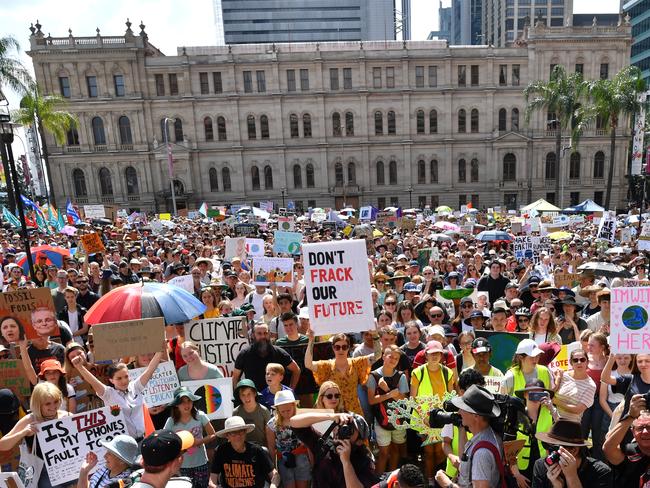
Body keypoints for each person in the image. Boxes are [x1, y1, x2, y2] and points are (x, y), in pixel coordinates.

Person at [72, 350, 164, 439]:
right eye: (119, 378)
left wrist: (161, 350)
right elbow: (93, 381)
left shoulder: (135, 387)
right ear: (111, 380)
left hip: (146, 438)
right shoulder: (108, 394)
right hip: (126, 444)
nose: (124, 381)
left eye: (126, 376)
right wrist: (80, 367)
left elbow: (150, 369)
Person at [0, 382, 71, 488]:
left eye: (55, 401)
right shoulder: (30, 419)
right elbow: (2, 445)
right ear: (38, 404)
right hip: (43, 471)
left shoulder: (67, 416)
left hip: (70, 467)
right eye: (47, 404)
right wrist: (23, 432)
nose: (53, 407)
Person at [434, 385, 505, 488]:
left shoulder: (482, 454)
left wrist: (447, 484)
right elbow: (465, 463)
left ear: (476, 416)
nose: (459, 412)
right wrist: (461, 428)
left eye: (463, 409)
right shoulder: (488, 436)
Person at [290, 411, 379, 488]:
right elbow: (294, 422)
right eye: (341, 425)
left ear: (359, 441)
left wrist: (346, 463)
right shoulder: (323, 446)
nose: (342, 430)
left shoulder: (364, 461)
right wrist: (331, 416)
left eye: (349, 429)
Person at [411, 340, 455, 484]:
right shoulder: (417, 372)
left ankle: (439, 479)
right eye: (431, 354)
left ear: (442, 355)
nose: (435, 356)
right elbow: (413, 398)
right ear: (426, 356)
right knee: (429, 452)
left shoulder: (448, 372)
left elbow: (451, 396)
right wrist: (423, 417)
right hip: (424, 419)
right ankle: (430, 481)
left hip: (443, 418)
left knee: (441, 451)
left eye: (438, 353)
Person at [305, 330, 375, 416]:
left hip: (354, 411)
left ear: (348, 348)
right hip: (334, 414)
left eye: (344, 347)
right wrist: (311, 341)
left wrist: (376, 336)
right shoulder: (327, 366)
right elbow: (308, 364)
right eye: (337, 347)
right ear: (333, 348)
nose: (341, 350)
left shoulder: (356, 363)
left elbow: (378, 355)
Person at [532, 418, 611, 487]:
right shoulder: (541, 466)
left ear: (574, 450)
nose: (548, 452)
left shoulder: (600, 472)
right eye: (545, 445)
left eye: (553, 448)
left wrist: (572, 477)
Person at [367, 345, 409, 473]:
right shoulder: (373, 376)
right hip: (381, 420)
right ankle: (379, 481)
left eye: (396, 358)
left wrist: (387, 390)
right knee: (384, 453)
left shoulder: (401, 376)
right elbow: (371, 400)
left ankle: (392, 480)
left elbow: (404, 401)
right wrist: (389, 395)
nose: (393, 360)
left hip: (397, 420)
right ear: (384, 356)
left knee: (395, 450)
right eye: (391, 357)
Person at [164, 387, 216, 488]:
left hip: (201, 462)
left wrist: (199, 442)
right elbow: (165, 440)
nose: (187, 405)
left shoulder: (200, 416)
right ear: (176, 405)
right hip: (181, 465)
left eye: (189, 401)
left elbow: (213, 434)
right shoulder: (171, 421)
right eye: (182, 402)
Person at [211, 416, 280, 488]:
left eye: (241, 431)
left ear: (245, 432)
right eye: (233, 433)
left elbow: (275, 475)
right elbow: (212, 480)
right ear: (227, 435)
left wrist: (273, 485)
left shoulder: (257, 450)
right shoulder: (220, 451)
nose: (238, 435)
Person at [232, 322, 300, 392]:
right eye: (259, 333)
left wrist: (290, 390)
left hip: (277, 398)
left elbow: (296, 370)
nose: (263, 336)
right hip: (254, 400)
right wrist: (239, 396)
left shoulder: (279, 352)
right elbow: (235, 378)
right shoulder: (244, 354)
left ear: (269, 334)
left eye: (265, 333)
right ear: (253, 335)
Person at [266, 390, 311, 488]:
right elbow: (271, 446)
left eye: (288, 410)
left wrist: (312, 461)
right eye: (283, 411)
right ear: (277, 409)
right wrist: (273, 467)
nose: (286, 413)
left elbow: (309, 442)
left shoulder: (302, 420)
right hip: (284, 459)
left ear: (293, 406)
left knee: (302, 484)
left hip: (301, 456)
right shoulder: (271, 425)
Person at [603, 401, 650, 485]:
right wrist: (630, 416)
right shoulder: (630, 452)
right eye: (640, 428)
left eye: (649, 427)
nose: (645, 431)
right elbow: (608, 449)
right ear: (633, 432)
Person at [552, 348, 596, 424]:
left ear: (587, 362)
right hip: (552, 421)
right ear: (571, 363)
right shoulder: (563, 375)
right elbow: (551, 392)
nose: (579, 362)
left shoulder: (591, 385)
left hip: (571, 425)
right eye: (575, 360)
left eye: (582, 360)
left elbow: (577, 410)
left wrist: (556, 402)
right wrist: (558, 379)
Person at [232, 379, 272, 446]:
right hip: (243, 448)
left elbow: (270, 433)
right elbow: (233, 433)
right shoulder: (236, 412)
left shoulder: (264, 411)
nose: (246, 398)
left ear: (255, 394)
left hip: (261, 448)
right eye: (243, 395)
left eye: (249, 394)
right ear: (239, 396)